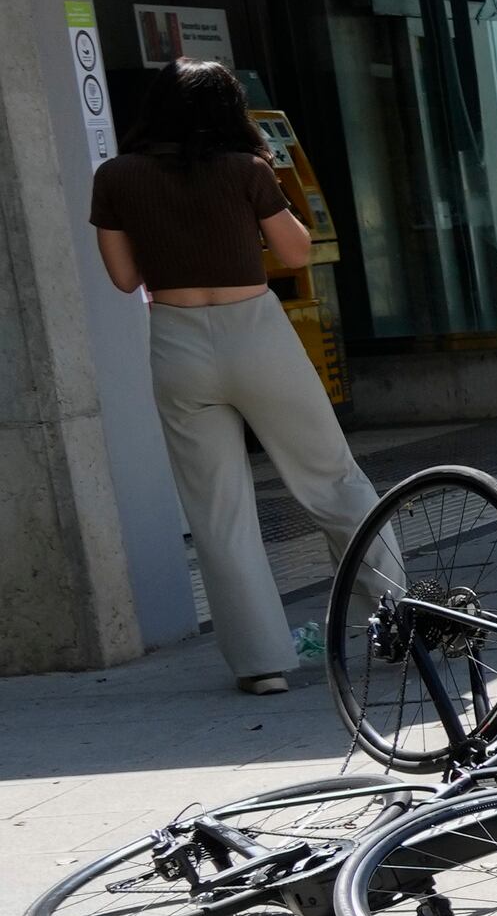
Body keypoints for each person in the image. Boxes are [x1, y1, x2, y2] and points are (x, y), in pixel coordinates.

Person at [88, 55, 381, 695]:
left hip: (176, 339)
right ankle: (391, 617)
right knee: (331, 478)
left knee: (216, 510)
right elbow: (297, 250)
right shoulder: (247, 170)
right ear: (226, 112)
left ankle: (261, 664)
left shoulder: (115, 177)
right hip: (255, 331)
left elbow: (123, 278)